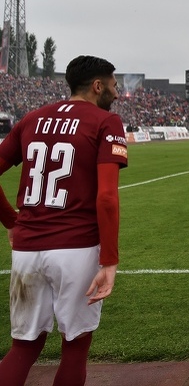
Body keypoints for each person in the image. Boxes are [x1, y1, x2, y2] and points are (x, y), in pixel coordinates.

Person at [0, 55, 128, 386]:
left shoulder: (32, 118)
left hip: (27, 249)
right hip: (76, 248)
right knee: (75, 346)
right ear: (97, 86)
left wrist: (11, 222)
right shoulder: (104, 122)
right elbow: (107, 197)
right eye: (113, 86)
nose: (117, 93)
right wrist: (110, 260)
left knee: (24, 347)